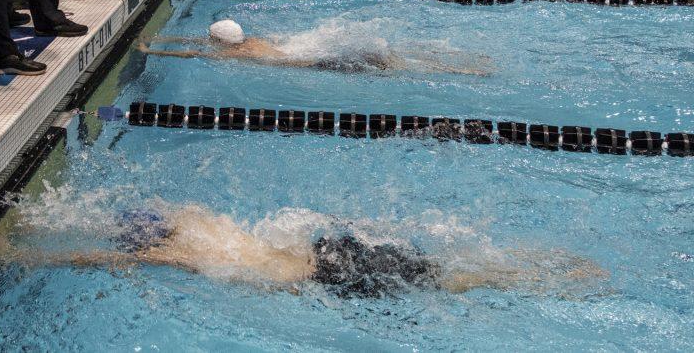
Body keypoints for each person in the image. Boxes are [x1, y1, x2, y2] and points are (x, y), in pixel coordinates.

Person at [35, 203, 608, 298]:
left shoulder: (180, 255)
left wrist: (42, 256)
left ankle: (539, 279)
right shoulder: (198, 222)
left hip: (321, 276)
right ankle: (540, 269)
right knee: (443, 270)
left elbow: (112, 259)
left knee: (450, 283)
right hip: (325, 248)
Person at [139, 15, 493, 75]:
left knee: (392, 67)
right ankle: (460, 63)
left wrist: (152, 50)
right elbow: (202, 42)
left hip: (319, 62)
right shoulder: (251, 41)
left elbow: (193, 51)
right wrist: (160, 37)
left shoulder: (239, 54)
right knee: (396, 58)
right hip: (316, 50)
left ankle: (461, 69)